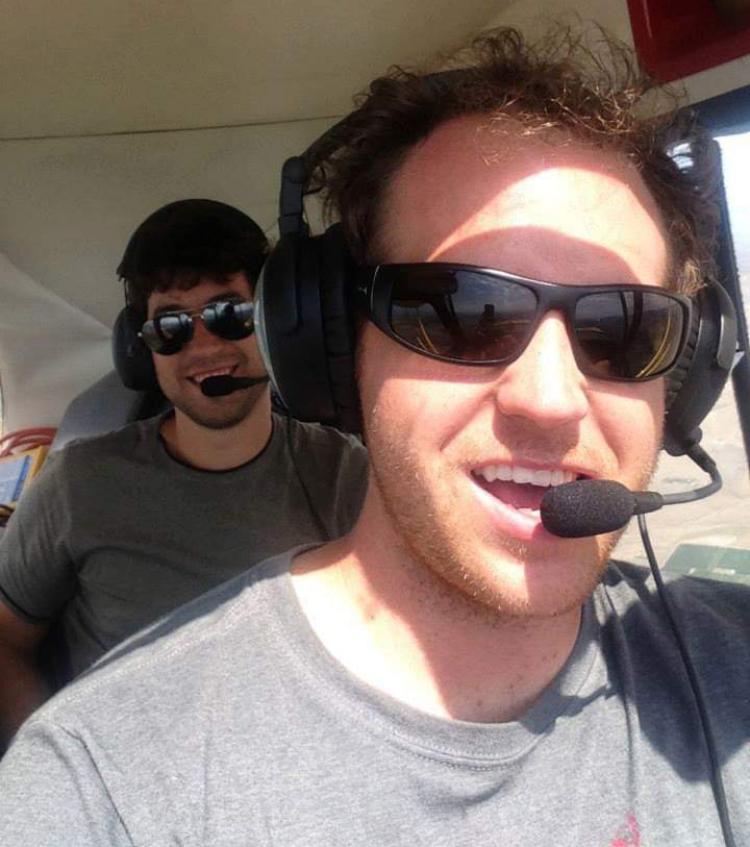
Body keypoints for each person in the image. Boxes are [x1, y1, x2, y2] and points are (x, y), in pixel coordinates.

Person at [1, 29, 749, 846]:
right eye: (462, 312)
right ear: (329, 344)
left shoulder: (726, 656)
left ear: (684, 379)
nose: (550, 401)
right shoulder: (101, 783)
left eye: (623, 328)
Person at [0, 199, 368, 748]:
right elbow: (4, 638)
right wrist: (50, 764)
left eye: (229, 315)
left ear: (270, 319)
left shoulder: (345, 474)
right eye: (171, 326)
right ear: (141, 348)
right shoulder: (79, 483)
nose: (203, 348)